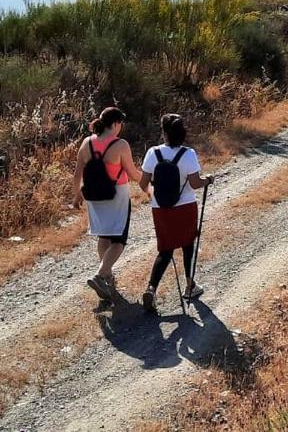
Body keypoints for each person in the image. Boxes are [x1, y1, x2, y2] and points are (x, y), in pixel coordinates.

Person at [140, 113, 213, 312]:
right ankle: (190, 285)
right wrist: (209, 180)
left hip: (161, 208)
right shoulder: (188, 154)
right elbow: (195, 183)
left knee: (165, 250)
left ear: (164, 132)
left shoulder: (152, 153)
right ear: (182, 133)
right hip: (185, 206)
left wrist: (151, 194)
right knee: (187, 243)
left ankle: (151, 288)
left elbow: (143, 183)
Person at [72, 106, 142, 302]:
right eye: (121, 124)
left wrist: (77, 196)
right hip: (116, 195)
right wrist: (149, 181)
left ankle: (108, 278)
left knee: (104, 236)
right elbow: (133, 173)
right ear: (116, 123)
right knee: (119, 239)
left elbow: (77, 173)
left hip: (93, 196)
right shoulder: (120, 145)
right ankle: (101, 274)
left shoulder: (87, 143)